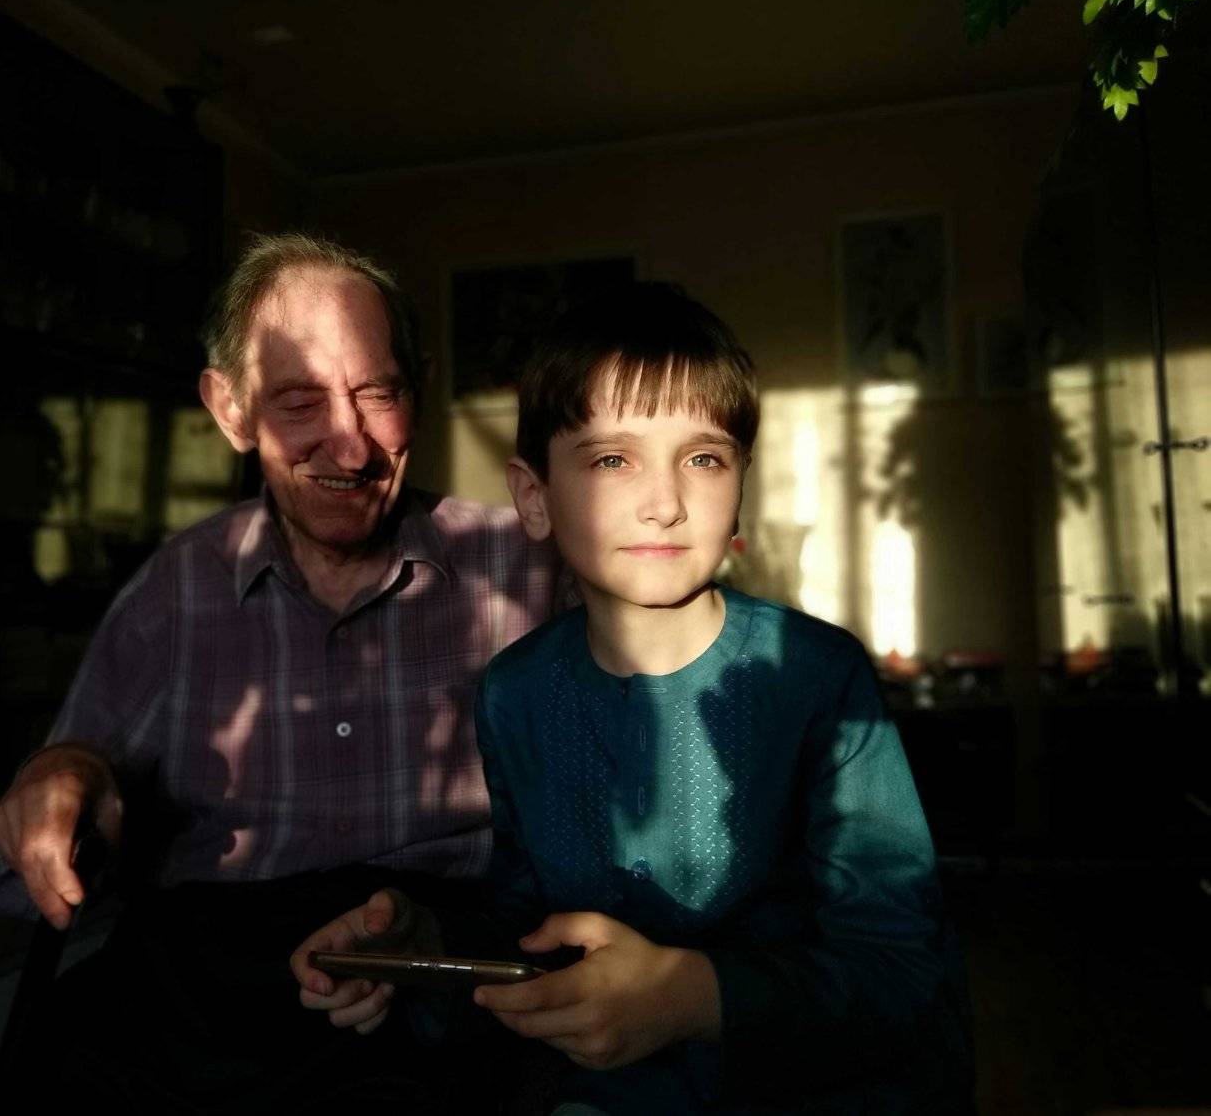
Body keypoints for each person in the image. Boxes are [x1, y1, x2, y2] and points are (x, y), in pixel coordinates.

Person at [293, 282, 972, 1114]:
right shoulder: (513, 694)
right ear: (535, 497)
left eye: (704, 458)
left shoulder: (818, 677)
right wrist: (420, 951)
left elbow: (904, 972)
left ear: (741, 486)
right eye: (613, 459)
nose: (665, 502)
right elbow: (527, 925)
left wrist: (693, 996)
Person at [0, 233, 563, 1112]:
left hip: (438, 983)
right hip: (206, 998)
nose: (351, 448)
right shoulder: (177, 589)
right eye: (299, 401)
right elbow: (16, 874)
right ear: (230, 410)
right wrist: (67, 772)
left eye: (378, 393)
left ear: (419, 387)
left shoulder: (527, 569)